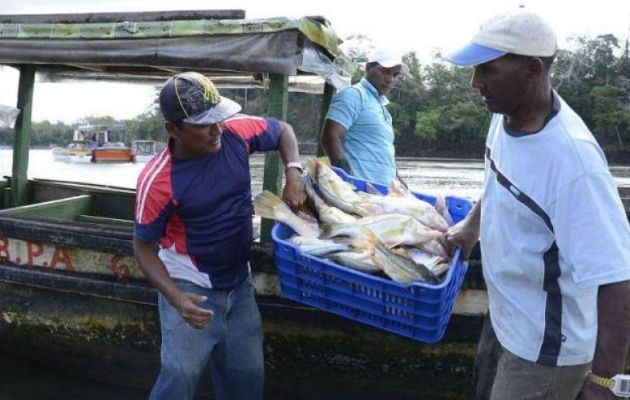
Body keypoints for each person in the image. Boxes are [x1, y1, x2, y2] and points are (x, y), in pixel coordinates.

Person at [444, 9, 630, 400]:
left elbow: (618, 278)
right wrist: (471, 229)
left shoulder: (573, 164)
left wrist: (604, 383)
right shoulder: (504, 113)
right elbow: (497, 178)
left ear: (532, 69)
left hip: (545, 351)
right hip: (505, 315)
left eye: (487, 70)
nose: (475, 82)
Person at [133, 71, 306, 400]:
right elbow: (143, 248)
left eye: (219, 118)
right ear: (173, 129)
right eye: (203, 124)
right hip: (191, 286)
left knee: (246, 377)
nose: (217, 130)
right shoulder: (158, 180)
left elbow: (283, 130)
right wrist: (176, 299)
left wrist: (294, 172)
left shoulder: (235, 132)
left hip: (239, 284)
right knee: (179, 376)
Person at [321, 48, 407, 185]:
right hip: (360, 194)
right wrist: (349, 181)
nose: (390, 79)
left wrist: (400, 182)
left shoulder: (382, 108)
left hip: (383, 194)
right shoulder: (354, 95)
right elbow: (330, 137)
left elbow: (384, 151)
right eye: (385, 71)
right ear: (368, 68)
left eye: (395, 75)